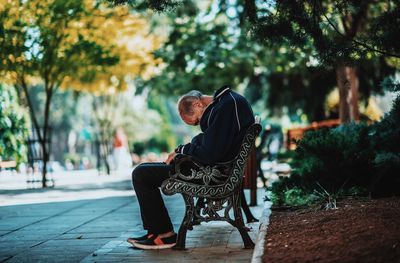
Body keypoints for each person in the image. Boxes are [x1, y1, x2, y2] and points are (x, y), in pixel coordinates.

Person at [128, 85, 255, 250]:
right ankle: (157, 232)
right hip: (213, 169)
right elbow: (207, 142)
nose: (200, 124)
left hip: (213, 173)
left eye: (196, 120)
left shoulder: (227, 106)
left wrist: (183, 150)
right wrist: (183, 150)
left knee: (141, 174)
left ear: (196, 104)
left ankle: (164, 235)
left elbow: (210, 153)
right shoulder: (226, 103)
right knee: (145, 169)